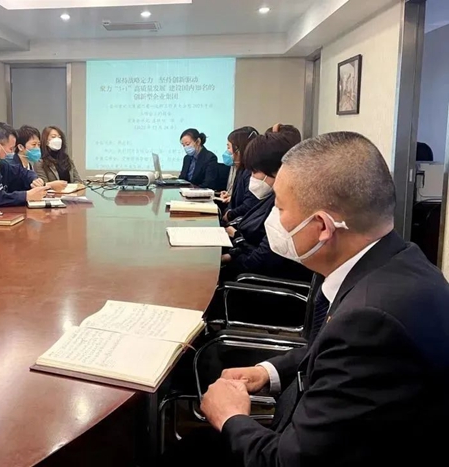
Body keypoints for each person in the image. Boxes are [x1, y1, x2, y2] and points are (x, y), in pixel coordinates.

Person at [162, 132, 449, 466]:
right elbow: (329, 352)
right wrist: (267, 372)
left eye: (280, 208)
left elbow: (287, 461)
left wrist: (230, 417)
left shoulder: (371, 321)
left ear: (322, 226)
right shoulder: (396, 260)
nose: (274, 218)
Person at [219, 132, 310, 284]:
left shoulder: (289, 208)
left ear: (278, 171)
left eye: (255, 172)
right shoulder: (272, 197)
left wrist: (231, 251)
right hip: (249, 266)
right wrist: (231, 255)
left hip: (260, 283)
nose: (252, 178)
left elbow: (257, 262)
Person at [12, 125, 67, 192]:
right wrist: (50, 185)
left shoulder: (29, 165)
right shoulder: (13, 166)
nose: (37, 148)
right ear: (20, 147)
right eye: (34, 144)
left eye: (38, 145)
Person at [220, 127, 258, 213]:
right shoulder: (241, 169)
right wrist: (232, 197)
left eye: (229, 147)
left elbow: (248, 205)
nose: (227, 151)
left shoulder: (250, 172)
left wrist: (229, 215)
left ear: (239, 149)